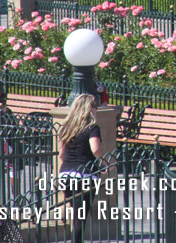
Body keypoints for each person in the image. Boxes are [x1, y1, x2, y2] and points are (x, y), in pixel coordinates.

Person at [59, 94, 106, 243]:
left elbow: (61, 154)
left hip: (66, 174)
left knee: (75, 211)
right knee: (81, 217)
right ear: (88, 108)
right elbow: (96, 149)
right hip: (85, 175)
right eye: (95, 106)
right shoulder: (92, 127)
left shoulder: (67, 127)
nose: (97, 109)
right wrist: (104, 162)